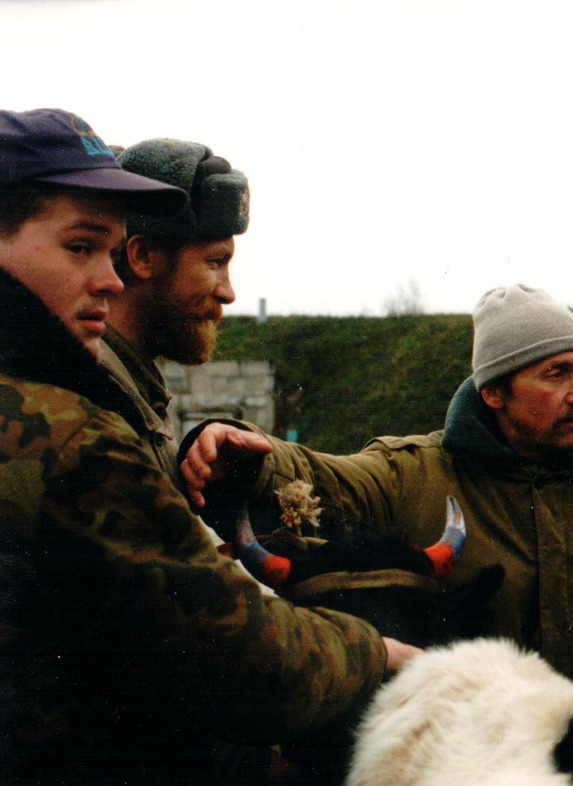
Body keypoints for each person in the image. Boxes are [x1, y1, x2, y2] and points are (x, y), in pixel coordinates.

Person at [0, 108, 417, 786]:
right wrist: (378, 657)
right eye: (81, 247)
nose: (228, 291)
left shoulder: (98, 402)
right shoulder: (75, 431)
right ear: (146, 259)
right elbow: (231, 656)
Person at [180, 283, 573, 743]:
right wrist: (247, 455)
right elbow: (327, 482)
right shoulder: (413, 475)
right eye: (556, 374)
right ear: (494, 390)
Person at [98, 138, 248, 482]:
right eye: (215, 262)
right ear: (143, 257)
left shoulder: (130, 391)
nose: (228, 293)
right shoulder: (103, 405)